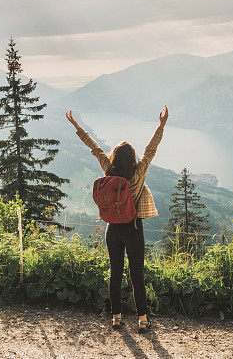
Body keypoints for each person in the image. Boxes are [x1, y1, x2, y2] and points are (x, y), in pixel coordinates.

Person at [66, 106, 168, 332]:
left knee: (115, 273)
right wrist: (161, 125)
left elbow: (94, 147)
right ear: (132, 158)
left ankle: (116, 318)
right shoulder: (138, 173)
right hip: (133, 228)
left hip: (112, 230)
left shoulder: (107, 169)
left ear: (114, 157)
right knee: (136, 275)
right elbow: (151, 149)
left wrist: (76, 125)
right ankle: (142, 319)